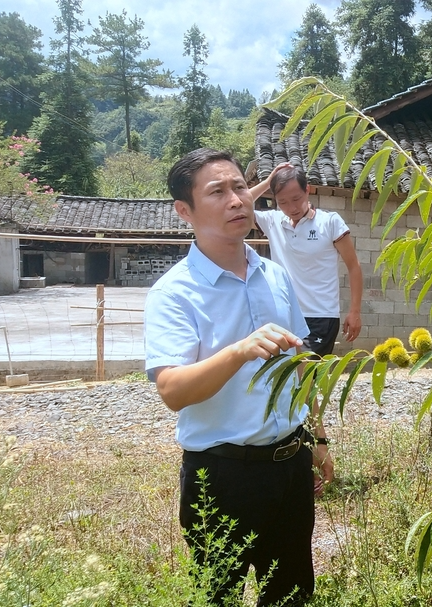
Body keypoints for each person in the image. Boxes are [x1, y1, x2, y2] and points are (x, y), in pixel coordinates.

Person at [145, 148, 329, 605]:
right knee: (218, 596)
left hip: (290, 462)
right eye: (218, 192)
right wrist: (237, 352)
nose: (236, 200)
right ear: (183, 211)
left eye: (240, 187)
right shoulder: (174, 293)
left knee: (291, 595)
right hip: (222, 474)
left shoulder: (275, 277)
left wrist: (320, 438)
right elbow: (172, 390)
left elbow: (300, 365)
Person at [249, 162, 363, 357]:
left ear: (307, 190)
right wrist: (268, 182)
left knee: (306, 375)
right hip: (284, 315)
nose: (291, 207)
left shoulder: (330, 222)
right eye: (282, 202)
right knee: (285, 380)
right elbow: (238, 204)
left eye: (296, 198)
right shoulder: (272, 221)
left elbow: (354, 267)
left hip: (321, 317)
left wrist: (355, 311)